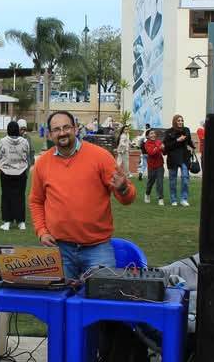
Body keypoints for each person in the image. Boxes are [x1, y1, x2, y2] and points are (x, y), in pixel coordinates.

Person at [29, 110, 136, 279]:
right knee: (58, 295)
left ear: (76, 129)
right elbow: (36, 201)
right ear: (50, 134)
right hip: (59, 249)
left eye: (66, 127)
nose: (62, 133)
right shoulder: (42, 163)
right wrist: (42, 231)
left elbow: (128, 198)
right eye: (56, 129)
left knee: (101, 295)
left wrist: (123, 189)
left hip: (97, 249)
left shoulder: (101, 157)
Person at [0, 120, 33, 230]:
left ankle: (7, 222)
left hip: (6, 172)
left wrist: (0, 164)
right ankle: (21, 222)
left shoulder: (3, 141)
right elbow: (27, 154)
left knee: (6, 196)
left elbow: (0, 154)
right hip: (21, 172)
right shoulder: (24, 141)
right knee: (20, 196)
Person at [162, 114, 195, 207]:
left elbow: (189, 141)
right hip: (173, 158)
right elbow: (166, 146)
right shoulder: (169, 132)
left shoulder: (186, 130)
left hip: (184, 157)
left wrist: (192, 145)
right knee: (173, 180)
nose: (180, 122)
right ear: (175, 121)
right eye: (178, 120)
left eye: (182, 120)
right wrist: (177, 140)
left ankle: (184, 199)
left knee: (185, 178)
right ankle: (173, 199)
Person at [142, 129, 166, 205]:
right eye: (151, 133)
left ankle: (160, 198)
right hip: (151, 166)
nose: (153, 135)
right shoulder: (147, 143)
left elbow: (164, 153)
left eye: (154, 133)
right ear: (148, 136)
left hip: (160, 165)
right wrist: (159, 147)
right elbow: (151, 152)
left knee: (160, 182)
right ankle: (147, 194)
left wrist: (164, 148)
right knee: (151, 182)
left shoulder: (159, 142)